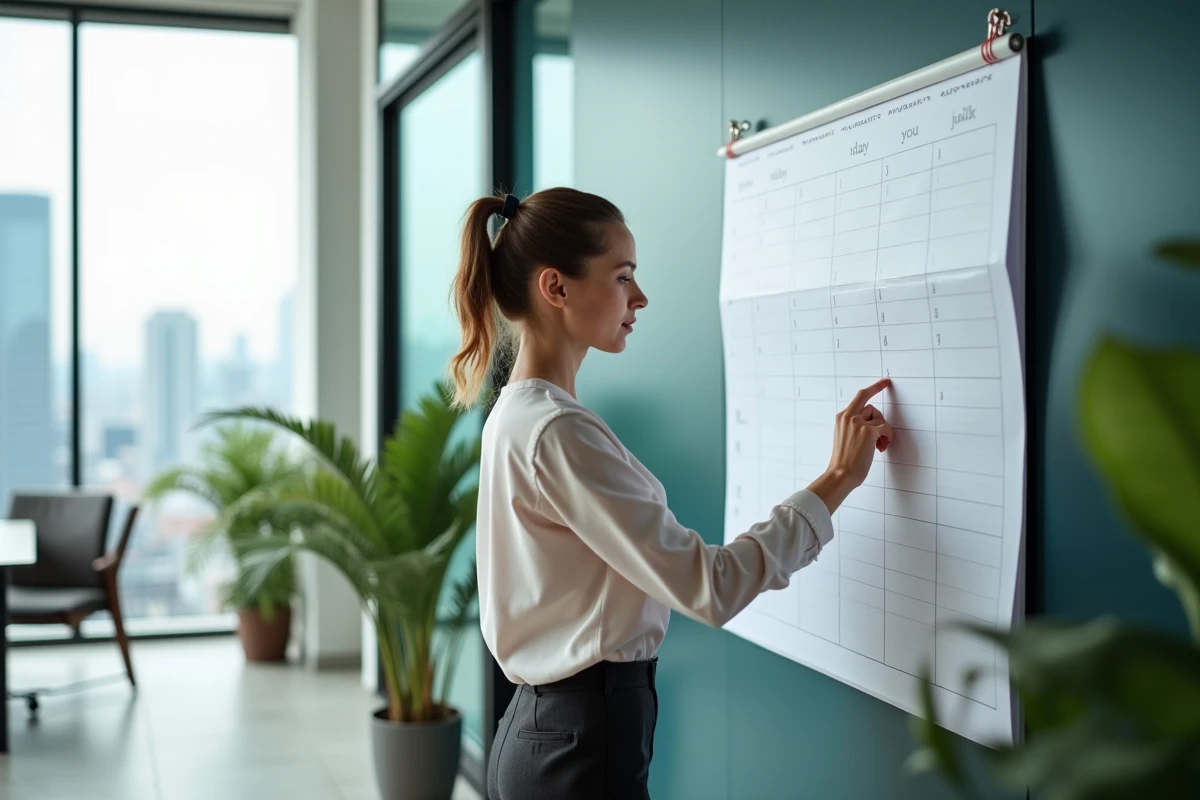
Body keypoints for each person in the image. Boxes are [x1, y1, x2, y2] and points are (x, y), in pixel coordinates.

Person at [449, 188, 893, 800]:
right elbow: (710, 587)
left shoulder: (516, 415)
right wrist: (838, 479)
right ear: (557, 288)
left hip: (542, 737)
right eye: (622, 276)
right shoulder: (556, 430)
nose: (640, 297)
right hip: (580, 749)